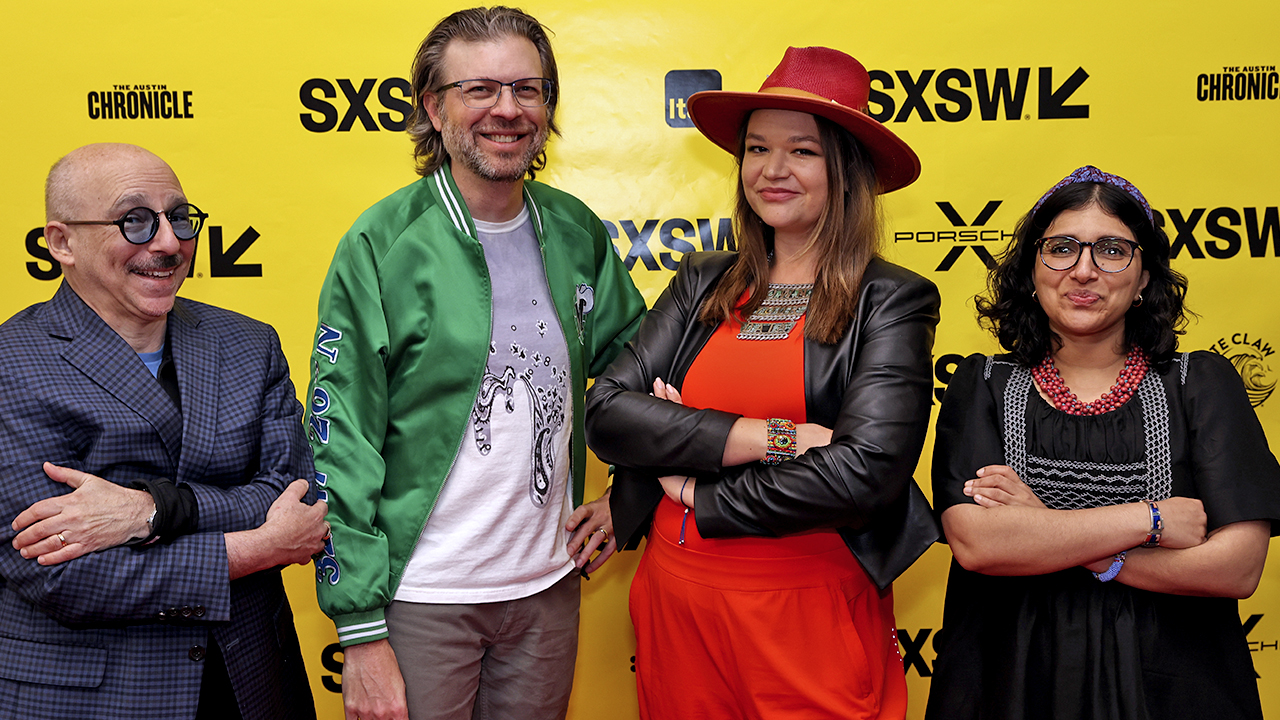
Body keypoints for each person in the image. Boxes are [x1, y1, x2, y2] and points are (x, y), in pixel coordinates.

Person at [306, 6, 646, 720]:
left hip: (548, 588)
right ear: (434, 108)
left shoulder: (575, 230)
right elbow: (342, 438)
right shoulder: (382, 242)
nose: (507, 109)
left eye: (526, 89)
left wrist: (630, 495)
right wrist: (360, 628)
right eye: (479, 89)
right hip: (422, 598)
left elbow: (638, 370)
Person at [585, 46, 940, 719]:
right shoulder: (702, 280)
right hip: (675, 604)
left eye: (802, 151)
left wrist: (698, 490)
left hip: (807, 612)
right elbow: (607, 412)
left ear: (846, 171)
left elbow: (864, 473)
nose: (772, 170)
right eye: (757, 149)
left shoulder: (891, 300)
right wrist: (773, 437)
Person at [926, 165, 1280, 720]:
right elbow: (980, 545)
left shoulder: (1201, 383)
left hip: (1173, 686)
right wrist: (1151, 520)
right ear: (1031, 270)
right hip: (1012, 681)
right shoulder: (983, 385)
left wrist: (1044, 528)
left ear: (1144, 279)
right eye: (1061, 248)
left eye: (1112, 250)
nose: (1083, 270)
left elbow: (1235, 568)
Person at [0, 142, 328, 720]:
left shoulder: (248, 343)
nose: (170, 243)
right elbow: (56, 573)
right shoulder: (13, 363)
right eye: (135, 221)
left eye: (179, 217)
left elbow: (293, 496)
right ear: (61, 242)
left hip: (252, 684)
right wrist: (254, 548)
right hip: (94, 698)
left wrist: (152, 512)